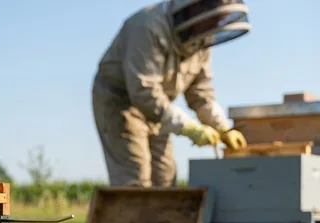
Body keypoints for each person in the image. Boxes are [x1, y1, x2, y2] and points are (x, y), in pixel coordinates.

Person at [92, 0, 252, 187]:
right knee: (135, 177)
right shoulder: (147, 26)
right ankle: (131, 217)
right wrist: (190, 129)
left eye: (220, 20)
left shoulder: (202, 41)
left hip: (160, 109)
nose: (215, 25)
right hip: (121, 103)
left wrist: (223, 128)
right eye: (215, 18)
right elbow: (143, 91)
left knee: (165, 178)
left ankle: (161, 218)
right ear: (196, 7)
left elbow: (201, 94)